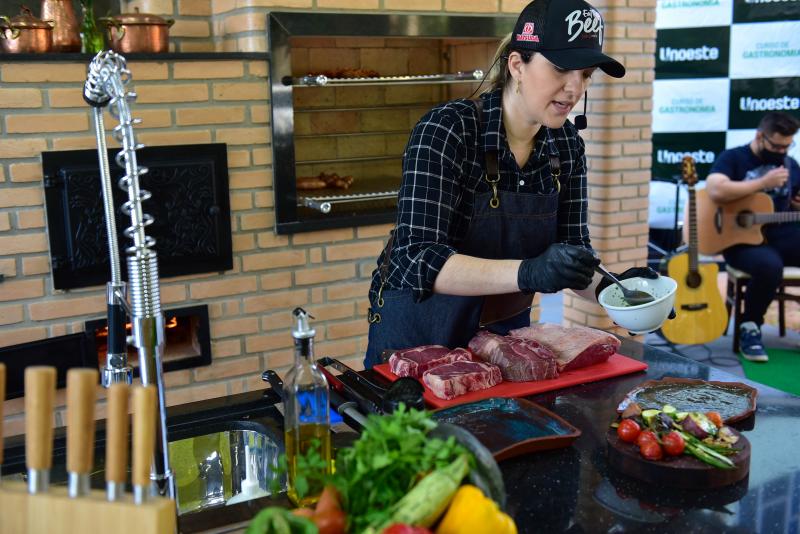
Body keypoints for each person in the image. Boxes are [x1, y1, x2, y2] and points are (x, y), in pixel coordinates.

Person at [363, 0, 656, 368]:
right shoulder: (447, 130)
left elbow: (571, 256)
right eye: (562, 69)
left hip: (502, 350)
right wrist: (528, 272)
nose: (574, 87)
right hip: (417, 348)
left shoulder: (566, 146)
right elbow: (415, 258)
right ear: (517, 65)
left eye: (586, 74)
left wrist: (617, 291)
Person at [706, 112, 800, 362]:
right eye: (776, 145)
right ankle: (750, 327)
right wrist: (762, 182)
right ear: (760, 136)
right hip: (740, 239)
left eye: (787, 146)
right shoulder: (734, 158)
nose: (781, 151)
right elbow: (715, 189)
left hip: (780, 234)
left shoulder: (790, 165)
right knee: (769, 267)